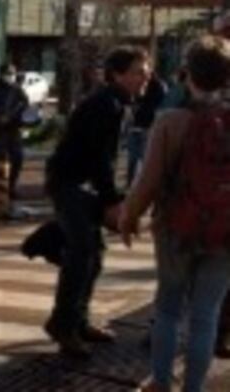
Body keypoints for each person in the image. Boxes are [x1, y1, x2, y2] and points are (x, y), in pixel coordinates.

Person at [120, 36, 230, 392]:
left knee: (167, 308)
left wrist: (129, 216)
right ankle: (193, 388)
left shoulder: (170, 121)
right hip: (225, 235)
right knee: (206, 315)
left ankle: (161, 383)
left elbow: (148, 181)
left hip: (174, 230)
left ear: (188, 75)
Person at [43, 45, 150, 358]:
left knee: (95, 255)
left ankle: (79, 320)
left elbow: (105, 159)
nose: (145, 77)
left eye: (146, 71)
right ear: (117, 74)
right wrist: (113, 201)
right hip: (70, 183)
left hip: (82, 185)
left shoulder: (119, 102)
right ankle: (62, 325)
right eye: (138, 72)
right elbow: (99, 158)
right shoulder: (107, 104)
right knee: (82, 253)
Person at [0, 63, 29, 200]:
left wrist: (17, 117)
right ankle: (0, 189)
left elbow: (25, 103)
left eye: (13, 73)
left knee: (18, 158)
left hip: (14, 129)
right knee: (1, 160)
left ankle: (12, 187)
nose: (11, 76)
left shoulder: (17, 89)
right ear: (1, 74)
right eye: (8, 73)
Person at [125, 72, 168, 187]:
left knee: (136, 158)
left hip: (142, 124)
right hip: (144, 125)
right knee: (140, 159)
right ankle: (135, 185)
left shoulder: (153, 85)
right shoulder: (159, 86)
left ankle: (133, 185)